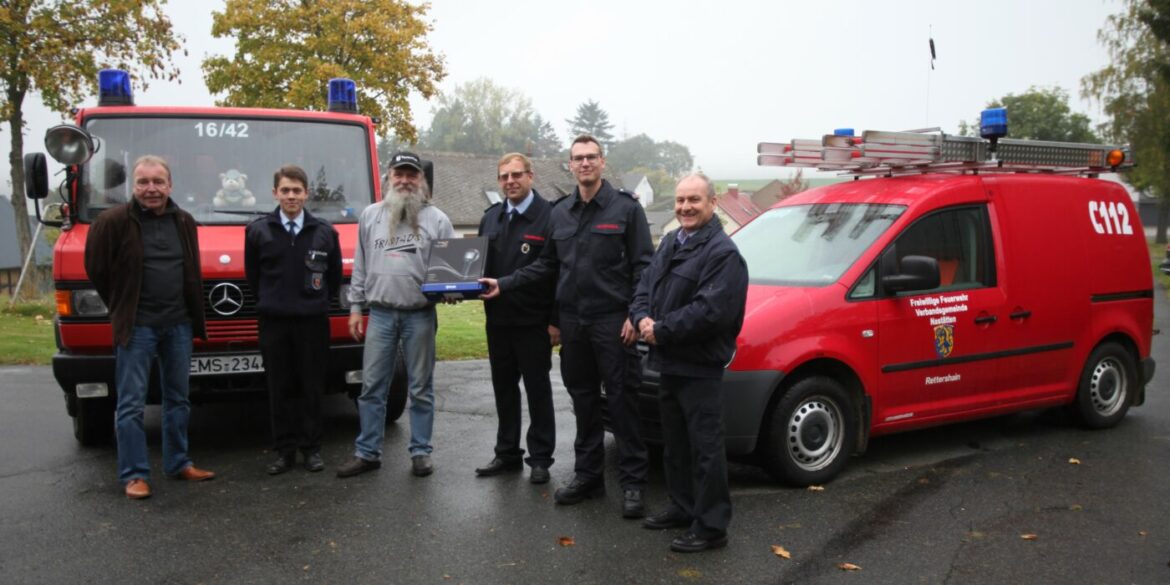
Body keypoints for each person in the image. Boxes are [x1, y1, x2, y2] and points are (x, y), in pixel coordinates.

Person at [481, 135, 653, 518]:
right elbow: (546, 266)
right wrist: (503, 284)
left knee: (623, 404)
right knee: (584, 402)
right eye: (578, 158)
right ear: (570, 165)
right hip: (575, 323)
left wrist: (634, 313)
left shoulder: (626, 210)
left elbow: (645, 266)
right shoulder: (561, 212)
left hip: (613, 321)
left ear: (602, 162)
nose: (585, 163)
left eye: (591, 157)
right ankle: (589, 476)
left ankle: (633, 484)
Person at [83, 154, 216, 499]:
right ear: (133, 186)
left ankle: (179, 463)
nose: (151, 189)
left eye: (158, 182)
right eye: (143, 182)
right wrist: (123, 305)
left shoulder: (184, 221)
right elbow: (96, 269)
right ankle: (134, 474)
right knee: (130, 403)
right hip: (137, 326)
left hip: (178, 325)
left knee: (178, 399)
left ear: (170, 186)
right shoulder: (112, 222)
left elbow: (191, 270)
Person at [629, 173, 749, 553]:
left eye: (694, 200)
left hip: (700, 367)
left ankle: (712, 526)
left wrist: (660, 330)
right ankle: (682, 508)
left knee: (706, 450)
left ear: (712, 203)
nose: (685, 207)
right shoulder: (670, 242)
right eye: (680, 200)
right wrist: (641, 317)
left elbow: (711, 312)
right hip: (669, 363)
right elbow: (645, 285)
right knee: (675, 445)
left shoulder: (722, 254)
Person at [337, 151, 455, 479]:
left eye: (411, 175)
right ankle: (367, 452)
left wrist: (452, 290)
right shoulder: (370, 216)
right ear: (387, 177)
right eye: (398, 174)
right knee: (372, 386)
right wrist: (356, 308)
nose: (404, 180)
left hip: (420, 315)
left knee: (421, 387)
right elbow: (360, 265)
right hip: (381, 315)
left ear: (421, 180)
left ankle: (420, 452)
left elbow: (451, 271)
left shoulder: (438, 220)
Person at [244, 165, 342, 475]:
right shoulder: (258, 231)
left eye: (297, 190)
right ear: (275, 193)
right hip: (274, 323)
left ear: (306, 194)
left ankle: (311, 449)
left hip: (312, 323)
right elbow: (253, 276)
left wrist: (316, 305)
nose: (291, 196)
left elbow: (334, 276)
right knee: (279, 388)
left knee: (312, 387)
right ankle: (284, 451)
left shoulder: (325, 232)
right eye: (285, 190)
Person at [474, 153, 558, 485]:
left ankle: (540, 458)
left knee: (538, 390)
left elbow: (555, 269)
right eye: (504, 177)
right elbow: (478, 267)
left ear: (530, 176)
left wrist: (556, 320)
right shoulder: (491, 218)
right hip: (498, 321)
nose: (510, 181)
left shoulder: (550, 216)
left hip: (534, 321)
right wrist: (453, 287)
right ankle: (507, 453)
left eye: (516, 175)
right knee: (504, 388)